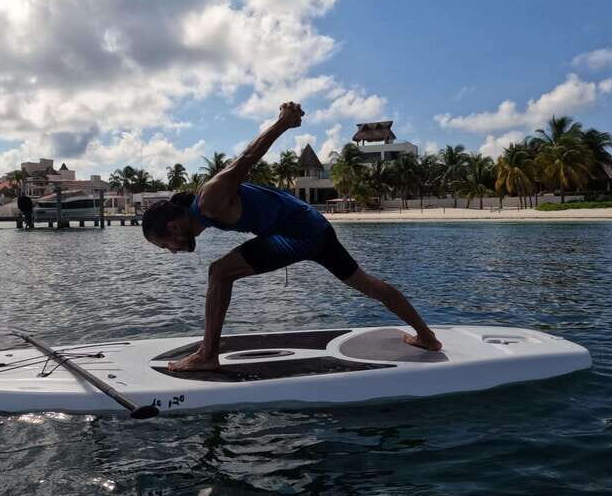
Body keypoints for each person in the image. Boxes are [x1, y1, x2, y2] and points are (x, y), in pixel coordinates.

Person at [142, 102, 441, 371]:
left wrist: (283, 122)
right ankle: (427, 337)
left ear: (173, 228)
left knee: (219, 272)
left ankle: (207, 354)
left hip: (298, 234)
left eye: (164, 245)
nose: (171, 251)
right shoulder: (204, 211)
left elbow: (246, 159)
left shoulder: (209, 200)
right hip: (316, 227)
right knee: (367, 284)